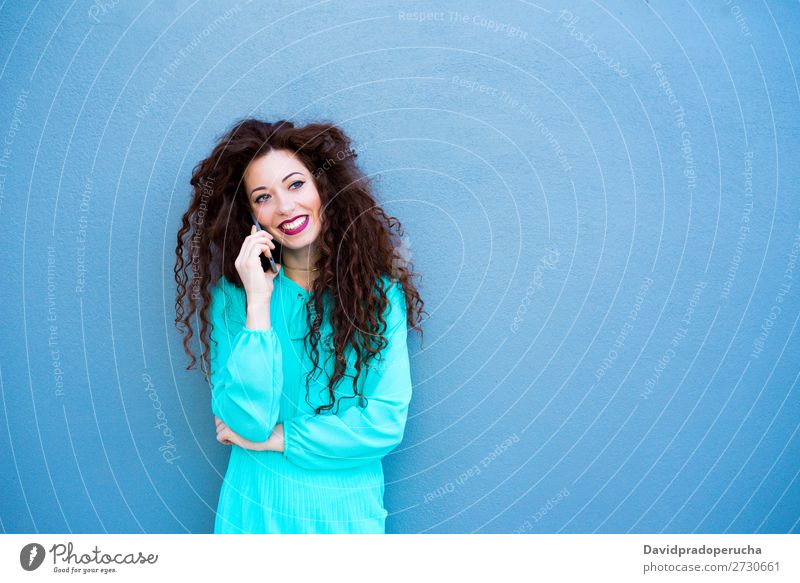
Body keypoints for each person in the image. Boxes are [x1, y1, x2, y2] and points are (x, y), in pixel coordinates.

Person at [174, 118, 425, 533]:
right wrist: (258, 302)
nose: (285, 207)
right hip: (254, 519)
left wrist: (281, 439)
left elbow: (384, 424)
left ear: (323, 189)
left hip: (347, 522)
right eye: (263, 197)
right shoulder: (235, 300)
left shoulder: (381, 296)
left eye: (295, 185)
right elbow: (246, 423)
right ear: (250, 215)